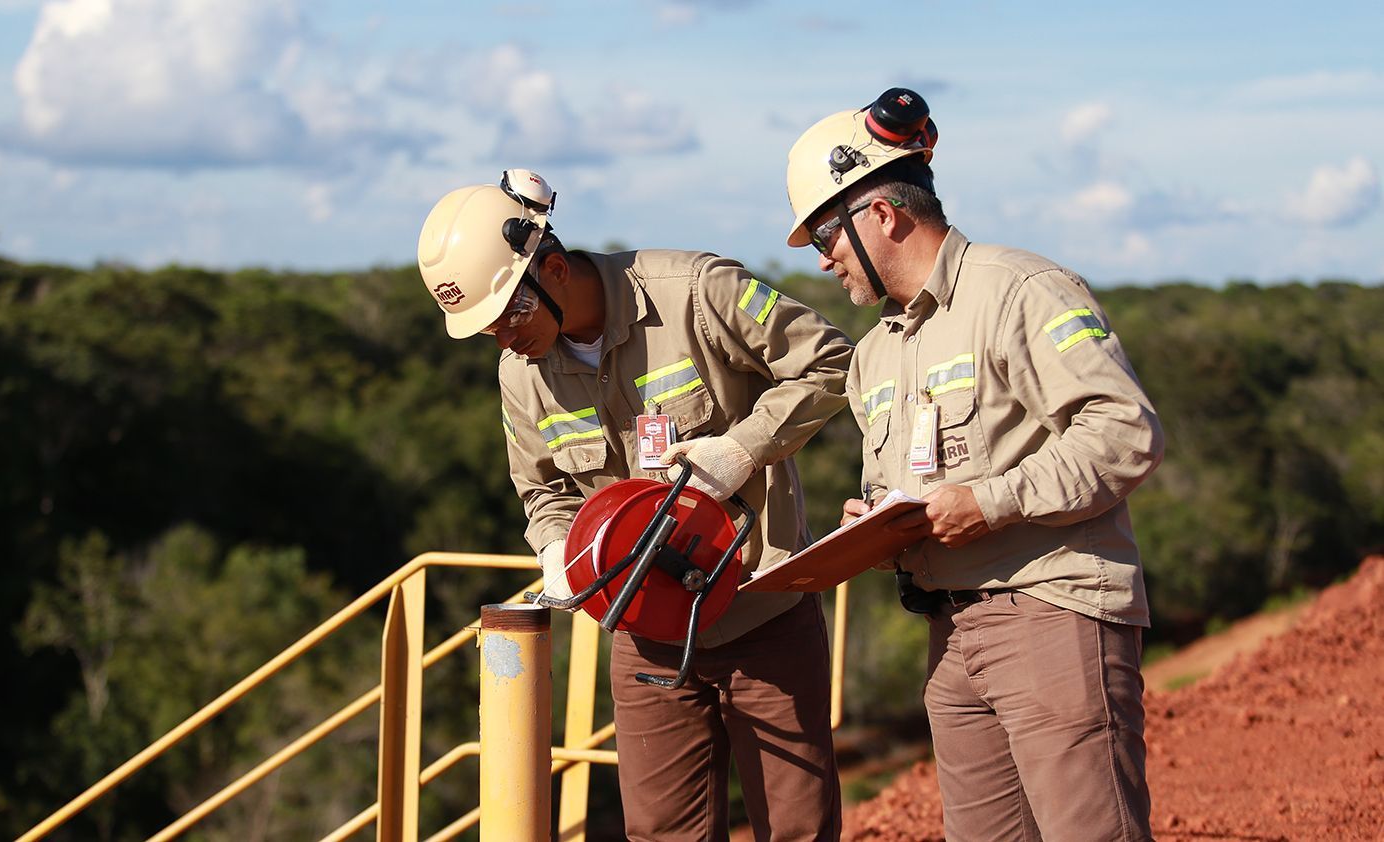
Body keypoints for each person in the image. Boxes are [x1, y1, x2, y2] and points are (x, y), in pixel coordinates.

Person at [416, 169, 853, 840]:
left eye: (508, 314)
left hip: (762, 609)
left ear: (553, 269)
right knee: (661, 833)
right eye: (485, 329)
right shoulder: (522, 376)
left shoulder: (695, 294)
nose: (502, 338)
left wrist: (742, 449)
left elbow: (828, 361)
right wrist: (557, 549)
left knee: (795, 829)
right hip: (643, 631)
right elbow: (542, 489)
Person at [782, 90, 1164, 841]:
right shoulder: (875, 354)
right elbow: (917, 485)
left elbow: (1125, 432)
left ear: (881, 216)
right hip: (950, 634)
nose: (822, 257)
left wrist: (989, 503)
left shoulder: (1019, 290)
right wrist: (874, 526)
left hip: (1050, 613)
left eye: (826, 233)